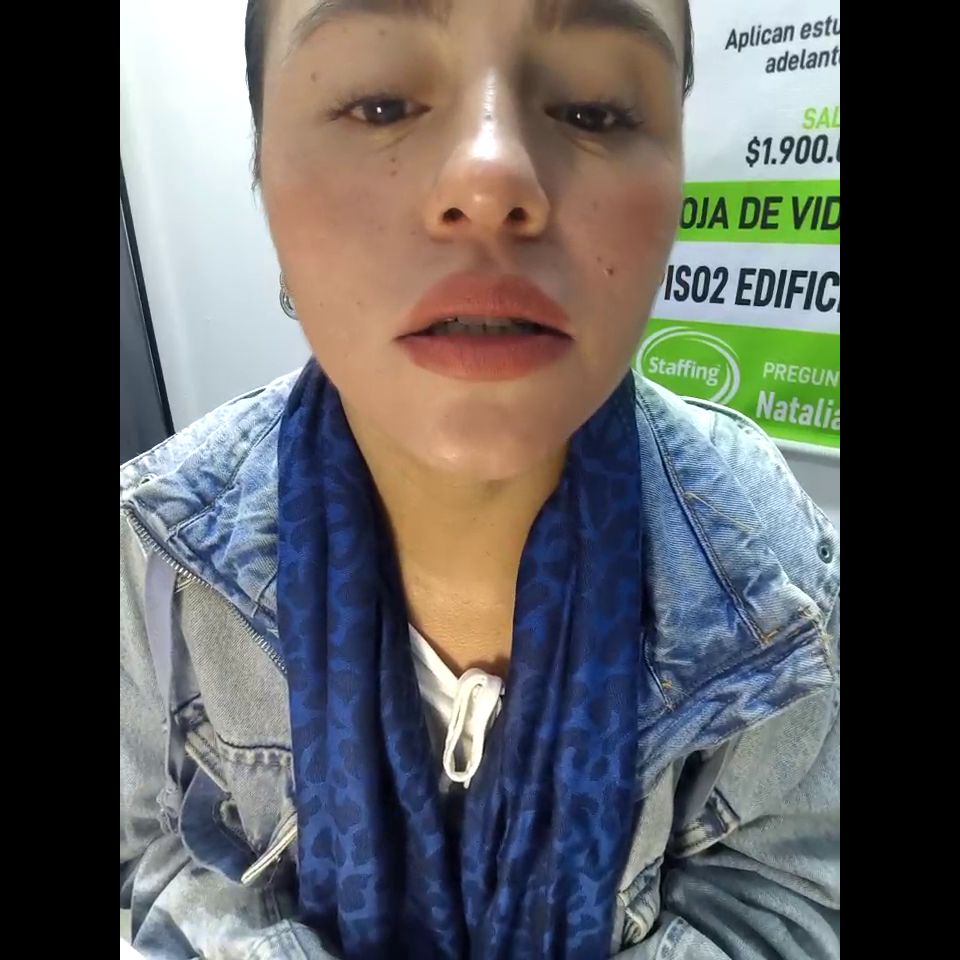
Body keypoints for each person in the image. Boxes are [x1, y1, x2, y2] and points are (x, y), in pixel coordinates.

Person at [120, 1, 840, 957]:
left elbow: (792, 894)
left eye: (594, 109)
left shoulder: (778, 572)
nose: (492, 177)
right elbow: (154, 855)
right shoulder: (152, 556)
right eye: (380, 103)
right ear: (264, 175)